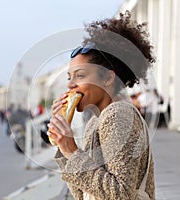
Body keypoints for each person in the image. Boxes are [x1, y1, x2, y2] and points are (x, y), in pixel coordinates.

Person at [47, 12, 155, 200]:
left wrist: (71, 150)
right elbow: (83, 193)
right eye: (69, 77)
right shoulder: (95, 122)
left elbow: (121, 193)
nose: (70, 85)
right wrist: (63, 147)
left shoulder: (118, 114)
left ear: (107, 78)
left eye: (80, 76)